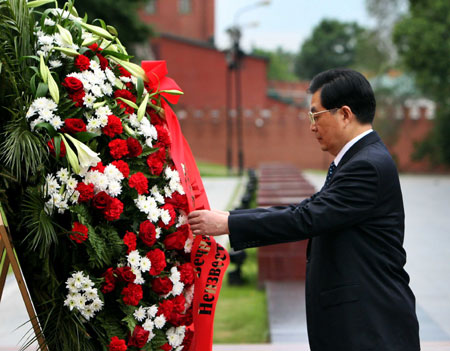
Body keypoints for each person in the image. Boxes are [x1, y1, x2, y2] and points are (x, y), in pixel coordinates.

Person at [188, 68, 420, 351]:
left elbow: (307, 218)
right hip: (361, 323)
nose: (311, 126)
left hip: (370, 326)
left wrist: (229, 225)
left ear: (345, 114)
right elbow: (312, 207)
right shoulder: (359, 159)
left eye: (316, 116)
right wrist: (231, 217)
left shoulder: (366, 165)